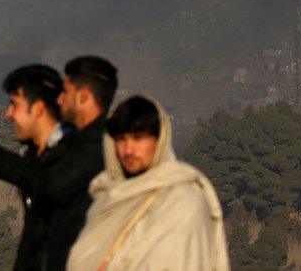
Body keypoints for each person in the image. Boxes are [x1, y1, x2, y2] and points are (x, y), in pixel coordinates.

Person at [0, 57, 118, 270]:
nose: (8, 113)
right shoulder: (42, 153)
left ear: (39, 108)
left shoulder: (94, 148)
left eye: (15, 104)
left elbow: (47, 182)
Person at [67, 96, 230, 271]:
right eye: (121, 139)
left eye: (138, 138)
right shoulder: (105, 200)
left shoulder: (184, 202)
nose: (128, 150)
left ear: (159, 140)